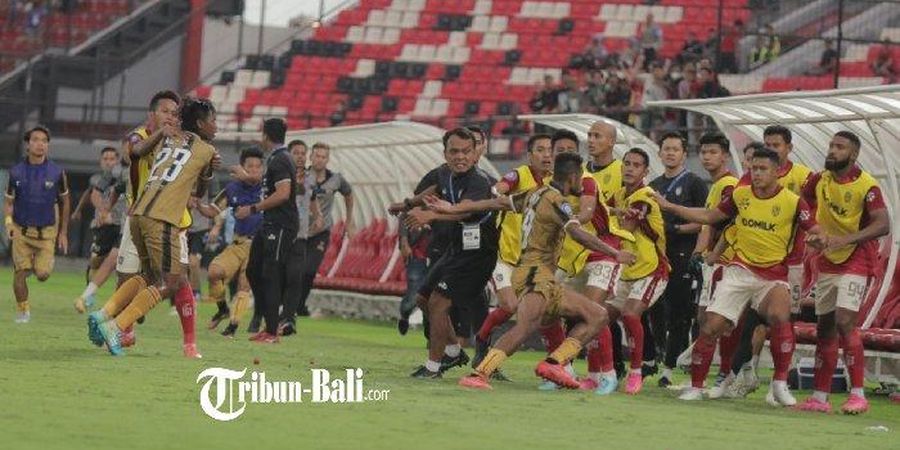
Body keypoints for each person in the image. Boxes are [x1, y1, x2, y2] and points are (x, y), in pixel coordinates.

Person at [429, 152, 635, 390]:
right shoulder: (558, 201)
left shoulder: (535, 194)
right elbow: (577, 232)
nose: (582, 182)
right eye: (581, 176)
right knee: (587, 317)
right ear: (574, 176)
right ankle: (492, 372)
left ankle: (550, 363)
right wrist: (615, 253)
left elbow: (497, 202)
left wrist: (453, 208)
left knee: (587, 316)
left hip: (530, 273)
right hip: (537, 276)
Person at [658, 147, 826, 406]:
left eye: (762, 169)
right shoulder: (740, 196)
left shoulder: (793, 202)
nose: (756, 173)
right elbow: (710, 217)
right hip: (739, 271)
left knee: (781, 317)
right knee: (710, 327)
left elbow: (815, 229)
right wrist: (669, 206)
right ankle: (696, 386)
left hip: (773, 275)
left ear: (777, 171)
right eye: (753, 168)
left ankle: (779, 384)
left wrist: (819, 238)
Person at [91, 97, 219, 357]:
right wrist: (210, 168)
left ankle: (103, 314)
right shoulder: (206, 150)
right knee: (172, 283)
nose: (216, 126)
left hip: (138, 213)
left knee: (148, 277)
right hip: (162, 219)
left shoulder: (168, 139)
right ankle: (115, 326)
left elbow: (136, 153)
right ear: (200, 123)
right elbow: (200, 192)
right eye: (213, 121)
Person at [795, 131, 890, 415]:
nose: (833, 151)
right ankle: (820, 397)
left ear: (854, 154)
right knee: (824, 327)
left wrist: (846, 239)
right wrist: (814, 229)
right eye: (831, 145)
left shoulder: (867, 185)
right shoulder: (819, 178)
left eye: (840, 147)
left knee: (845, 322)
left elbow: (883, 224)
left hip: (856, 259)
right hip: (827, 259)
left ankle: (859, 395)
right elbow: (803, 203)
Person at [402, 128, 499, 379]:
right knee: (423, 300)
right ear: (445, 153)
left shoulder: (479, 181)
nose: (460, 157)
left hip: (477, 255)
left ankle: (433, 368)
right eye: (454, 151)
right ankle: (455, 351)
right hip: (455, 251)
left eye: (466, 151)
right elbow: (428, 191)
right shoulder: (444, 174)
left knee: (438, 303)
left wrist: (432, 214)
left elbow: (466, 210)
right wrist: (407, 206)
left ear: (475, 152)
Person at [470, 134, 554, 377]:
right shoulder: (519, 175)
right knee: (509, 305)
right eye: (540, 149)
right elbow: (500, 187)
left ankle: (492, 362)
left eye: (550, 150)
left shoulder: (555, 185)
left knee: (531, 318)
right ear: (530, 155)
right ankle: (482, 339)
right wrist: (498, 192)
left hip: (531, 264)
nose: (546, 154)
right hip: (504, 258)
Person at [597, 148, 669, 395]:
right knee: (598, 316)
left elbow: (624, 229)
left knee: (630, 315)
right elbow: (598, 217)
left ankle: (636, 372)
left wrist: (608, 218)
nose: (629, 168)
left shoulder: (645, 197)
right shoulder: (618, 195)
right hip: (626, 270)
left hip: (651, 270)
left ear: (646, 171)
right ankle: (602, 374)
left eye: (636, 165)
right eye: (626, 163)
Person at [648, 132, 708, 388]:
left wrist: (676, 230)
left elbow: (705, 221)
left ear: (684, 154)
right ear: (659, 154)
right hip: (655, 256)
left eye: (675, 149)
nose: (670, 153)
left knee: (679, 313)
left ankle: (669, 368)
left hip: (683, 255)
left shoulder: (695, 183)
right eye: (666, 149)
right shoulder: (653, 185)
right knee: (653, 308)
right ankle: (656, 355)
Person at [690, 132, 740, 398]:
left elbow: (725, 223)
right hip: (713, 261)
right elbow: (707, 224)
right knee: (704, 318)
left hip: (726, 261)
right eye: (704, 152)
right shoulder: (716, 184)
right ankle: (716, 375)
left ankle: (726, 374)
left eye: (713, 152)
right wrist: (699, 253)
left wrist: (709, 254)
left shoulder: (729, 184)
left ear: (725, 156)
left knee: (718, 321)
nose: (707, 157)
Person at [240, 118, 298, 343]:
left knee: (271, 275)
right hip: (270, 223)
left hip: (282, 224)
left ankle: (272, 331)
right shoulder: (276, 158)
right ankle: (268, 321)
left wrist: (253, 208)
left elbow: (283, 193)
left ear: (265, 136)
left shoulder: (281, 160)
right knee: (253, 270)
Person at [4, 125, 70, 323]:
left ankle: (38, 263)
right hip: (21, 232)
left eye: (44, 140)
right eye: (36, 140)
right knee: (20, 273)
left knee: (42, 274)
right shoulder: (16, 172)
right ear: (28, 144)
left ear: (47, 145)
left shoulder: (57, 172)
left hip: (47, 233)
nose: (40, 144)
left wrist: (64, 232)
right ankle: (23, 311)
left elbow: (65, 201)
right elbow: (8, 202)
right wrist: (8, 223)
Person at [197, 147, 265, 337]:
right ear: (242, 166)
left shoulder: (266, 186)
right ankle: (222, 308)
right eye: (249, 166)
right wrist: (196, 204)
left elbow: (253, 180)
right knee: (213, 272)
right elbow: (212, 210)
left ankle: (232, 327)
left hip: (258, 245)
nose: (253, 170)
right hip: (237, 243)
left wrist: (245, 175)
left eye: (257, 167)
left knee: (244, 285)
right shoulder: (232, 188)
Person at [292, 142, 354, 319]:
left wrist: (349, 221)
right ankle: (292, 303)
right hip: (300, 230)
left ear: (328, 159)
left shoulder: (336, 179)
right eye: (317, 156)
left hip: (321, 231)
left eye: (323, 157)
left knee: (310, 269)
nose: (319, 160)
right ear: (311, 157)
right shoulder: (301, 176)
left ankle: (300, 305)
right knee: (296, 269)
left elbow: (349, 195)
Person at [277, 139, 323, 334]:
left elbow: (311, 198)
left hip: (301, 235)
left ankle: (289, 319)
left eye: (303, 153)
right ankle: (272, 314)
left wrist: (318, 215)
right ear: (288, 154)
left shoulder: (311, 178)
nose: (300, 156)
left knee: (296, 276)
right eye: (296, 152)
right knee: (278, 277)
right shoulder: (281, 175)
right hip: (281, 233)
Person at [73, 147, 126, 314]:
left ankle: (119, 302)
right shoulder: (99, 178)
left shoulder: (126, 173)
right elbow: (91, 194)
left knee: (119, 261)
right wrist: (79, 210)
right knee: (96, 261)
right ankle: (90, 292)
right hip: (104, 224)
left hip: (122, 224)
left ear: (117, 160)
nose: (109, 162)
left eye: (112, 158)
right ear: (100, 161)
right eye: (106, 158)